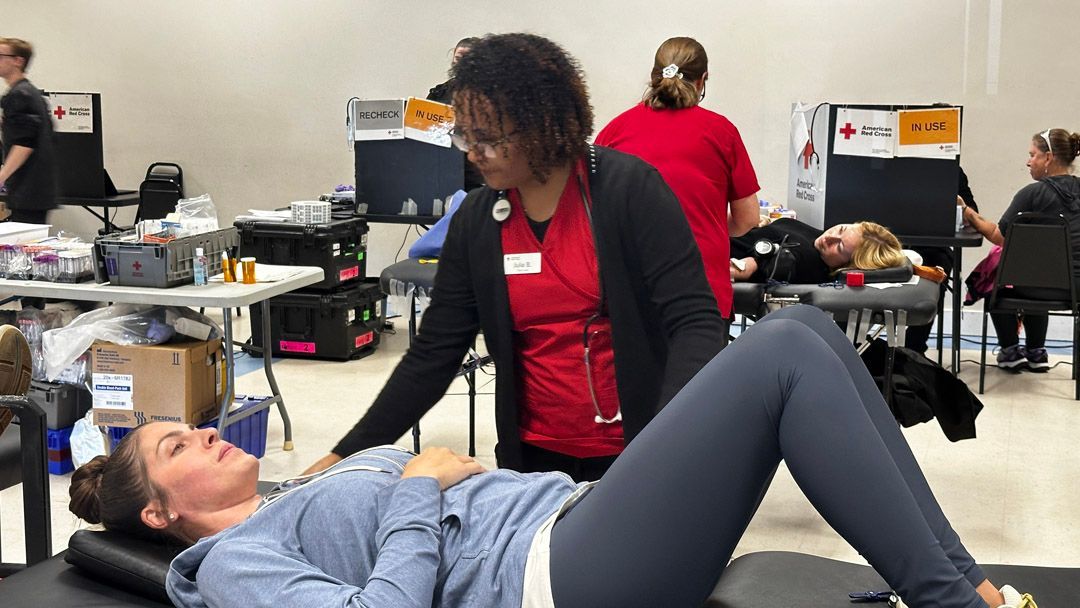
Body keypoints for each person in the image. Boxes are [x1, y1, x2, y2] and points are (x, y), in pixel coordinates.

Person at [66, 306, 1034, 608]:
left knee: (812, 331)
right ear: (160, 512)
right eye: (174, 443)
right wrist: (414, 484)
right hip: (554, 579)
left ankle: (958, 581)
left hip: (569, 522)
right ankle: (954, 601)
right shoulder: (231, 561)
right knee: (781, 351)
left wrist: (411, 476)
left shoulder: (290, 494)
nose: (200, 429)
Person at [306, 34, 727, 482]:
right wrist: (343, 457)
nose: (471, 152)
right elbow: (433, 355)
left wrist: (663, 442)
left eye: (487, 138)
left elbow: (695, 323)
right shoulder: (478, 220)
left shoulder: (629, 190)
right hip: (533, 462)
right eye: (465, 134)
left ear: (543, 124)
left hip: (638, 454)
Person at [595, 36, 759, 318]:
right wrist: (709, 224)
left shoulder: (615, 131)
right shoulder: (721, 132)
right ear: (703, 79)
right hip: (701, 292)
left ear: (653, 76)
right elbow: (748, 219)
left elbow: (591, 213)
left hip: (629, 290)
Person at [961, 128, 1080, 371]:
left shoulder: (1031, 194)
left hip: (1032, 287)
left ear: (1048, 158)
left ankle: (1010, 351)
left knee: (997, 279)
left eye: (1033, 155)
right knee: (1044, 276)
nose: (1028, 161)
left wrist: (967, 212)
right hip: (1076, 289)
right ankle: (1037, 352)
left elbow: (999, 236)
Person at [905, 167, 980, 354]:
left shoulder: (951, 170)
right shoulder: (890, 165)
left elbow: (972, 216)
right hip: (883, 243)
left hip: (932, 246)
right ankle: (854, 346)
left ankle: (913, 350)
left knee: (937, 268)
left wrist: (962, 206)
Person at [729, 217, 907, 284]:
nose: (829, 238)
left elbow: (747, 267)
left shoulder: (806, 262)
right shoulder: (818, 240)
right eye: (841, 229)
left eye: (839, 246)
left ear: (848, 266)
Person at [0, 37, 57, 225]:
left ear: (18, 61)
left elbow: (24, 144)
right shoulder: (31, 93)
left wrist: (1, 177)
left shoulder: (19, 95)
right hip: (35, 189)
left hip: (27, 189)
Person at [428, 37, 484, 192]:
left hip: (478, 175)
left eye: (468, 59)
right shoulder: (439, 93)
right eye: (458, 58)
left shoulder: (491, 95)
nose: (462, 64)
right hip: (444, 172)